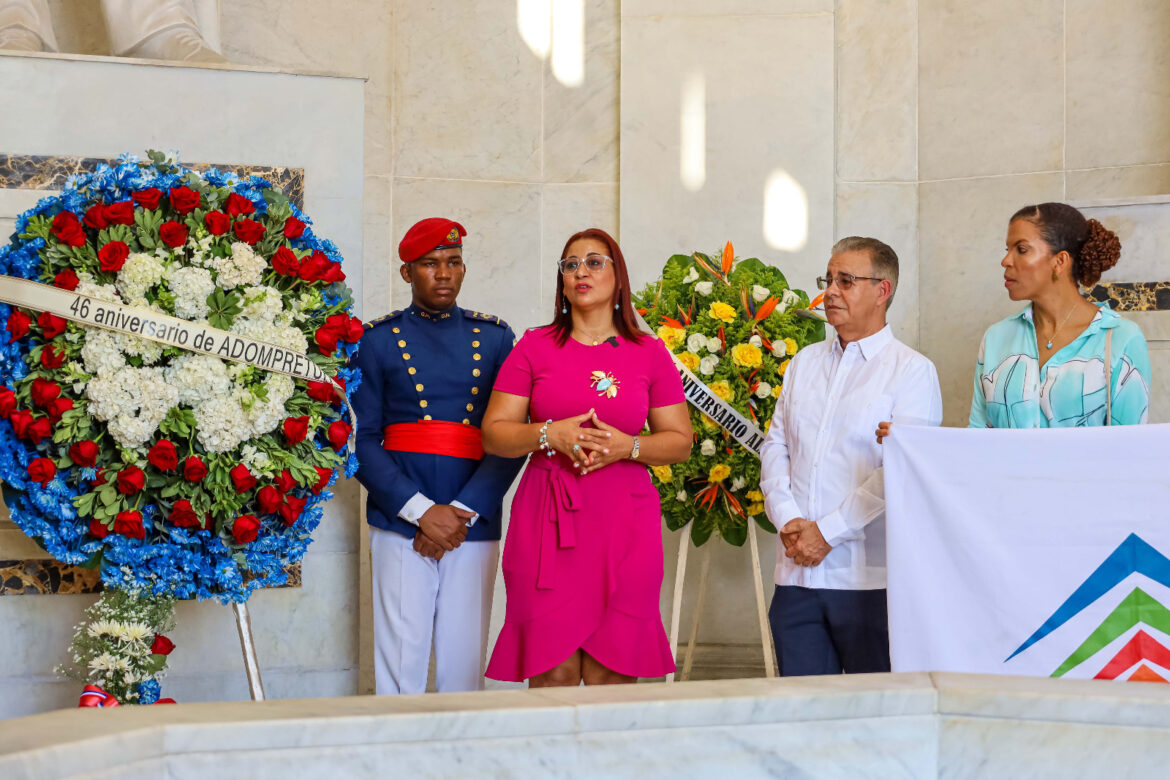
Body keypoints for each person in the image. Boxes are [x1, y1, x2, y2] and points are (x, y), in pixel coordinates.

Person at [480, 228, 692, 687]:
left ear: (619, 278)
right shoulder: (534, 347)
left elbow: (679, 441)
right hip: (546, 525)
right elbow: (495, 435)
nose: (581, 271)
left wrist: (628, 446)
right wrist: (547, 433)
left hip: (625, 525)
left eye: (595, 262)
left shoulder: (649, 353)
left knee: (611, 672)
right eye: (571, 264)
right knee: (551, 670)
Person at [352, 218, 524, 695]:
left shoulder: (493, 339)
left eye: (453, 262)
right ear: (407, 273)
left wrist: (461, 513)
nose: (444, 273)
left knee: (463, 667)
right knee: (399, 669)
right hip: (402, 517)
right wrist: (423, 513)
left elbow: (510, 438)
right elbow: (360, 440)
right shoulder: (376, 340)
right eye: (430, 264)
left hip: (473, 518)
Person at [760, 236, 942, 676]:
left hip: (867, 582)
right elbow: (776, 445)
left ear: (883, 291)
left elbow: (900, 469)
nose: (831, 292)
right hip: (796, 578)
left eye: (846, 280)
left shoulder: (912, 371)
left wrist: (827, 532)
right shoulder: (804, 362)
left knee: (872, 720)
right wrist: (787, 519)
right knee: (801, 716)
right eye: (828, 279)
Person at [968, 202, 1151, 428]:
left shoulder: (1120, 339)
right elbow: (976, 434)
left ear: (1059, 261)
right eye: (1008, 250)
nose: (1006, 261)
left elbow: (1129, 448)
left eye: (1021, 249)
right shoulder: (996, 338)